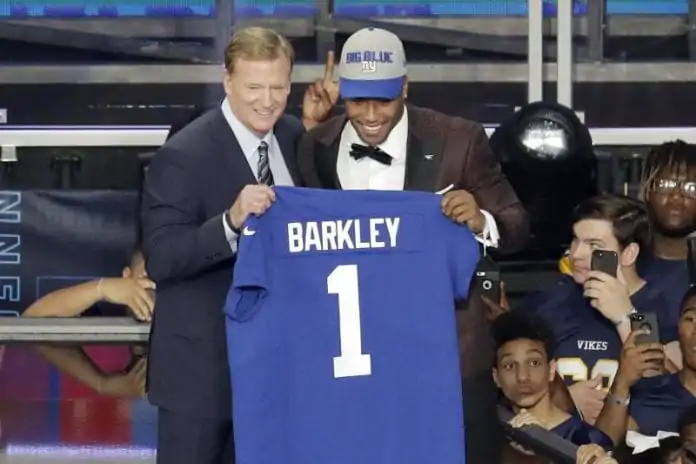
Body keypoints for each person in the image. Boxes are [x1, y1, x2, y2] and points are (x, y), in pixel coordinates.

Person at [296, 27, 528, 464]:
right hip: (355, 357)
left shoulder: (458, 140)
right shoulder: (314, 146)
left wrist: (482, 219)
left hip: (448, 355)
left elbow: (516, 225)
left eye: (383, 100)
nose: (370, 115)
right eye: (357, 101)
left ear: (405, 86)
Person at [141, 27, 335, 464]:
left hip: (277, 371)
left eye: (278, 87)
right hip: (202, 381)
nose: (267, 100)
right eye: (253, 87)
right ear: (227, 82)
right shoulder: (183, 154)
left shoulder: (293, 135)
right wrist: (230, 222)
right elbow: (162, 257)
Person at [493, 311, 612, 460]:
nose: (522, 376)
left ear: (551, 370)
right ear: (496, 377)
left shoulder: (587, 439)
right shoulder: (485, 435)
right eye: (509, 366)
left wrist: (542, 443)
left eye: (534, 363)